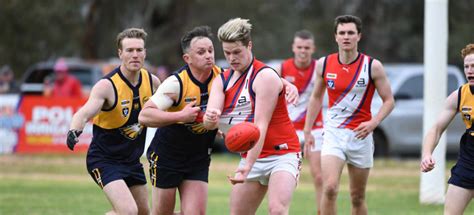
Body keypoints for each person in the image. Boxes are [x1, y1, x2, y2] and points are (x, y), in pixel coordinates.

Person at [203, 18, 301, 215]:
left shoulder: (264, 77)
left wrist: (247, 167)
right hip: (252, 155)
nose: (232, 58)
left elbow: (260, 126)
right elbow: (210, 122)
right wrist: (211, 118)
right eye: (227, 53)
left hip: (282, 154)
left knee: (277, 211)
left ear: (249, 45)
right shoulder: (221, 81)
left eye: (237, 52)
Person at [304, 15, 394, 215]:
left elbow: (389, 101)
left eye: (350, 33)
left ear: (359, 36)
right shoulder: (324, 64)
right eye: (342, 33)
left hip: (360, 136)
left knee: (357, 196)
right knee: (329, 188)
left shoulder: (372, 66)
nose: (346, 37)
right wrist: (308, 130)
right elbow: (316, 98)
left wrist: (373, 123)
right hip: (334, 133)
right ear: (335, 37)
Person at [67, 28, 160, 215]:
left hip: (132, 161)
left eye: (139, 50)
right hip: (104, 160)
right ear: (120, 54)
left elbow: (172, 110)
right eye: (129, 50)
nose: (135, 55)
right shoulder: (106, 86)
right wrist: (74, 130)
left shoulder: (153, 82)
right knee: (128, 211)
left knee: (143, 213)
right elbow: (84, 113)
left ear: (145, 53)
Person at [138, 25, 222, 215]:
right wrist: (180, 116)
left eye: (210, 50)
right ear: (187, 58)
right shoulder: (176, 83)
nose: (208, 55)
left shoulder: (223, 77)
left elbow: (251, 78)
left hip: (198, 156)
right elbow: (144, 115)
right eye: (201, 52)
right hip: (168, 156)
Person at [420, 43, 474, 215]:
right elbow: (436, 129)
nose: (470, 70)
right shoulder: (459, 95)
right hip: (468, 162)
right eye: (466, 66)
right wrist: (427, 153)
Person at [275, 29, 324, 214]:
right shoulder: (282, 68)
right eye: (299, 47)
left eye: (307, 47)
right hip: (288, 129)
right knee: (284, 177)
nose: (303, 51)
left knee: (319, 177)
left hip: (315, 128)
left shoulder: (319, 67)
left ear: (313, 49)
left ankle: (321, 211)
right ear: (293, 48)